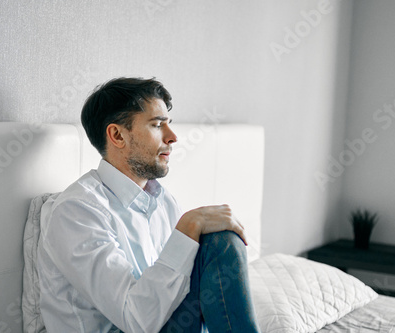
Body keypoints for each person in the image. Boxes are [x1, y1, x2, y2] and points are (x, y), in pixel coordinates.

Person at [37, 77, 260, 332]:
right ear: (117, 135)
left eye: (169, 125)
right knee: (221, 242)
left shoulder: (163, 202)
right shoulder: (77, 211)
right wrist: (187, 227)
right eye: (157, 125)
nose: (173, 137)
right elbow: (135, 319)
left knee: (220, 237)